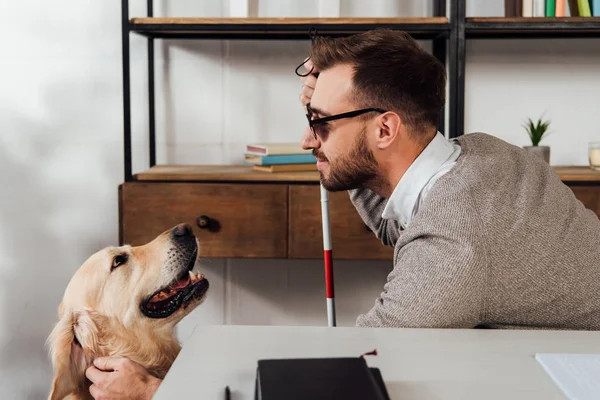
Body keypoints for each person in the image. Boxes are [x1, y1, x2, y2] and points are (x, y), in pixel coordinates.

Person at [298, 28, 600, 330]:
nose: (307, 142)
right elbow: (396, 215)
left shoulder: (453, 240)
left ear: (386, 130)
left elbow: (374, 349)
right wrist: (322, 112)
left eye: (322, 125)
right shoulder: (485, 153)